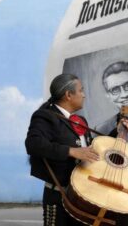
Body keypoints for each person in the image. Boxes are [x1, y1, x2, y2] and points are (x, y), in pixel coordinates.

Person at [25, 74, 99, 225]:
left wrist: (118, 130)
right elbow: (33, 144)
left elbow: (90, 149)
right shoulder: (45, 116)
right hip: (59, 197)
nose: (84, 95)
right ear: (69, 95)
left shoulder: (80, 121)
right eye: (81, 90)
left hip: (83, 197)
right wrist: (70, 151)